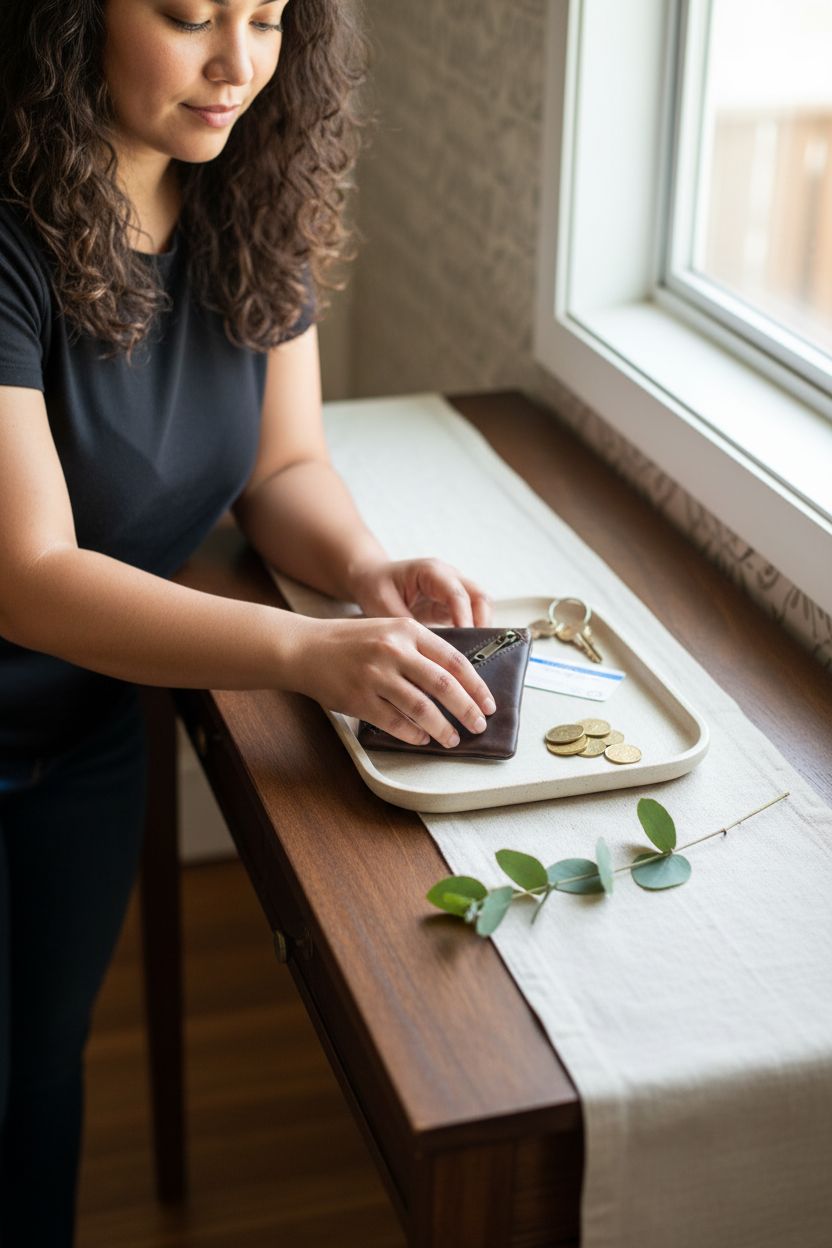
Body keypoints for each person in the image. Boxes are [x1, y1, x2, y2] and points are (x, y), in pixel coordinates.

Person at [0, 1, 495, 1242]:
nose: (238, 66)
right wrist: (306, 651)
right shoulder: (8, 234)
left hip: (86, 728)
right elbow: (29, 571)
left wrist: (367, 572)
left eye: (268, 21)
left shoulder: (247, 192)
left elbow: (281, 471)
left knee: (42, 1076)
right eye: (188, 16)